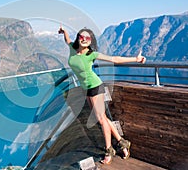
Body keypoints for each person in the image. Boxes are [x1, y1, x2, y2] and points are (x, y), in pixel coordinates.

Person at [58, 26, 146, 164]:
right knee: (103, 118)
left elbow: (114, 59)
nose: (84, 39)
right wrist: (64, 32)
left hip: (95, 87)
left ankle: (109, 150)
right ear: (78, 38)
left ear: (91, 40)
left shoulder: (91, 54)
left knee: (100, 119)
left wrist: (135, 59)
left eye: (87, 38)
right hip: (86, 89)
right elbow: (67, 39)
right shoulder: (72, 48)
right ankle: (122, 143)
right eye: (82, 36)